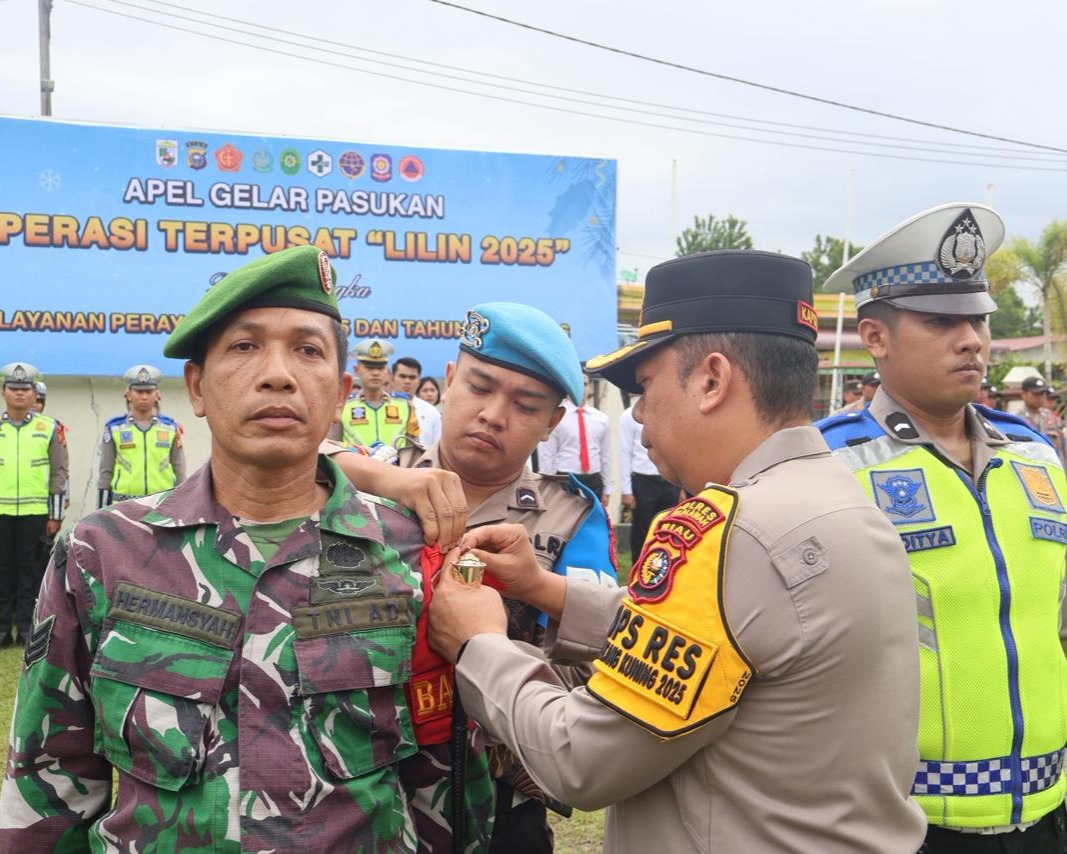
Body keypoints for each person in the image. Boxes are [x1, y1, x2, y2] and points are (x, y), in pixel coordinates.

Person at [427, 250, 926, 852]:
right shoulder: (834, 495)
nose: (637, 414)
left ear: (712, 380)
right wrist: (543, 589)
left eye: (645, 385)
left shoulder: (729, 533)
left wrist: (478, 644)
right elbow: (728, 635)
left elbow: (579, 756)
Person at [0, 245, 493, 852]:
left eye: (308, 350)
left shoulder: (409, 556)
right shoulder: (100, 554)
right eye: (244, 346)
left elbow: (447, 783)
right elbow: (49, 784)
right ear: (197, 387)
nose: (278, 374)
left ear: (339, 395)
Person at [818, 203, 1067, 852]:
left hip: (1047, 811)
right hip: (902, 824)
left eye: (977, 319)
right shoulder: (827, 464)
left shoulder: (1036, 458)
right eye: (940, 321)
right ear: (874, 337)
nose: (971, 340)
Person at [331, 302, 616, 853]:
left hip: (498, 796)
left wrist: (513, 614)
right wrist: (380, 477)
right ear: (452, 380)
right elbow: (292, 463)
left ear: (552, 422)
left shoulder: (569, 515)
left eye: (524, 404)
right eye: (481, 387)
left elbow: (599, 663)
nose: (493, 414)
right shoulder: (373, 473)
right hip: (364, 785)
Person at [0, 362, 67, 649]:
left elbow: (59, 473)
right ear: (4, 392)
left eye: (24, 389)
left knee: (31, 574)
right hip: (1, 513)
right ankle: (3, 631)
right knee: (2, 572)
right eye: (13, 388)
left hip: (36, 514)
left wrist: (56, 514)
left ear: (33, 393)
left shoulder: (49, 428)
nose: (19, 394)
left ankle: (27, 631)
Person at [96, 363, 187, 507]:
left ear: (157, 394)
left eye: (149, 391)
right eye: (139, 391)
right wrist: (100, 512)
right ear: (129, 394)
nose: (144, 396)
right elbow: (106, 472)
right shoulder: (114, 428)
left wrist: (183, 505)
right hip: (124, 506)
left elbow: (179, 470)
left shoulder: (170, 428)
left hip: (162, 506)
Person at [537, 370, 612, 505]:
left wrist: (607, 488)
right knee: (565, 522)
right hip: (566, 478)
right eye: (578, 383)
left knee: (592, 522)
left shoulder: (601, 419)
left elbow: (606, 455)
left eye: (585, 384)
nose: (582, 389)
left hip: (593, 479)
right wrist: (547, 486)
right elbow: (547, 455)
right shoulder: (558, 416)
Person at [330, 337, 420, 449]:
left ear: (387, 372)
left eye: (380, 367)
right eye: (369, 367)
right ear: (356, 370)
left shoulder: (404, 404)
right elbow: (333, 446)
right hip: (354, 466)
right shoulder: (344, 405)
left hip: (396, 466)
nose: (375, 373)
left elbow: (414, 447)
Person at [618, 399, 678, 564]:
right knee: (642, 531)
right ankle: (638, 571)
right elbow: (624, 453)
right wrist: (626, 490)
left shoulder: (668, 412)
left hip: (668, 480)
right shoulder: (628, 416)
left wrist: (680, 486)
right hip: (643, 480)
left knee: (668, 530)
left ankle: (665, 570)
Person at [393, 356, 442, 446]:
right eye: (402, 376)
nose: (407, 381)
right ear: (392, 378)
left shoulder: (431, 412)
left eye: (412, 377)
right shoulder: (381, 407)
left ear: (419, 380)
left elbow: (438, 448)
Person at [1018, 376, 1067, 465]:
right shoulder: (1017, 419)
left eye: (1043, 393)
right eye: (1036, 394)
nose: (1040, 397)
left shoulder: (1053, 419)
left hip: (1053, 468)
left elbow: (1062, 449)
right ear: (1024, 393)